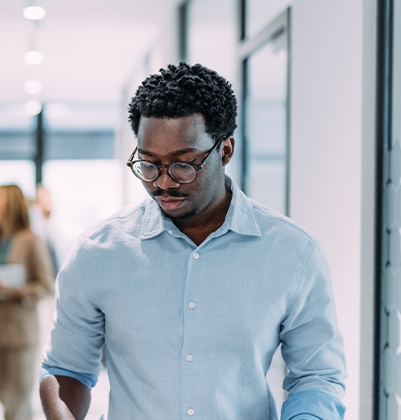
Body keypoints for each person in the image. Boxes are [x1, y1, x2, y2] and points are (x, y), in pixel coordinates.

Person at [38, 63, 347, 420]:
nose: (163, 183)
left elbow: (317, 376)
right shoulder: (98, 251)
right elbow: (66, 370)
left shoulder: (294, 254)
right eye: (148, 164)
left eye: (183, 164)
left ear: (226, 151)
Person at [0, 184, 55, 420]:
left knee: (18, 401)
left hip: (20, 330)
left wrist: (13, 290)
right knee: (5, 398)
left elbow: (46, 286)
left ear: (12, 204)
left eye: (0, 199)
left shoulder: (30, 240)